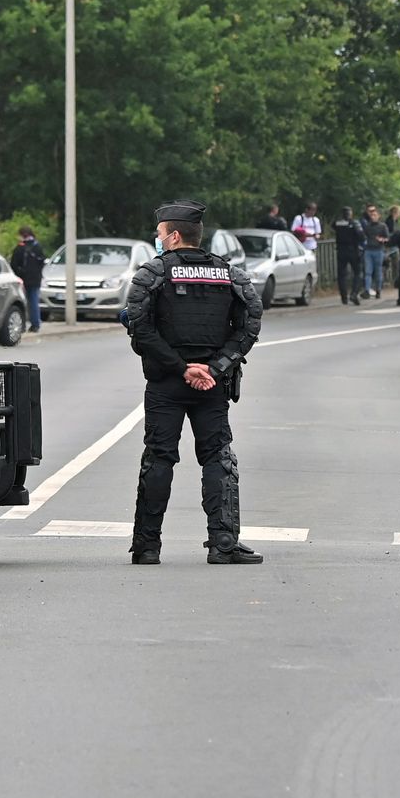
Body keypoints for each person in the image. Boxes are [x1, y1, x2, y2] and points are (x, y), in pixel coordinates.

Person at [124, 199, 265, 565]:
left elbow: (140, 328)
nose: (157, 239)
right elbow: (250, 323)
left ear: (172, 236)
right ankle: (223, 544)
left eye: (158, 234)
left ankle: (146, 546)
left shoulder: (151, 275)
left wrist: (180, 367)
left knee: (158, 458)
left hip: (165, 385)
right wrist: (213, 368)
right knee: (218, 458)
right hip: (212, 386)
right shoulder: (230, 275)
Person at [10, 225, 47, 333]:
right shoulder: (37, 246)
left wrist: (20, 273)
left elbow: (14, 264)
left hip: (22, 279)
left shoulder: (19, 248)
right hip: (35, 278)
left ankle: (22, 325)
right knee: (34, 301)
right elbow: (42, 261)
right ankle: (35, 324)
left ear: (21, 235)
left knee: (21, 302)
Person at [335, 206, 365, 305]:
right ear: (350, 213)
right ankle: (354, 293)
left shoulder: (337, 223)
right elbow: (361, 235)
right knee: (358, 273)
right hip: (353, 250)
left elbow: (333, 227)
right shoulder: (354, 223)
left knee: (341, 275)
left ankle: (344, 297)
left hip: (341, 250)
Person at [363, 204, 391, 300]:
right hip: (368, 250)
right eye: (371, 215)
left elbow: (388, 238)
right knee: (368, 271)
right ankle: (367, 290)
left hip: (378, 250)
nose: (373, 217)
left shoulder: (383, 226)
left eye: (375, 215)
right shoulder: (367, 226)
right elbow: (364, 235)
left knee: (378, 271)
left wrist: (382, 239)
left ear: (378, 216)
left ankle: (378, 289)